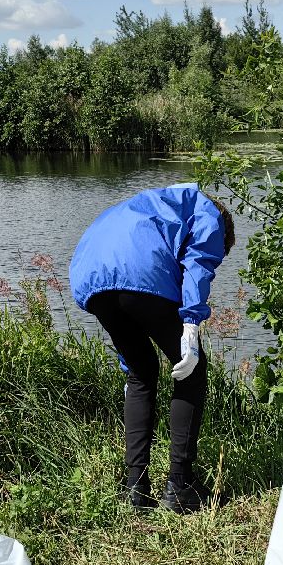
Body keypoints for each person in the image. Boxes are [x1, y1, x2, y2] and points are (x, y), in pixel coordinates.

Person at [69, 184, 235, 512]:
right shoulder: (211, 215)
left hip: (93, 277)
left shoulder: (159, 204)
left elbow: (126, 263)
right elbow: (198, 265)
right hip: (139, 270)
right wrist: (190, 326)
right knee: (193, 370)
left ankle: (135, 489)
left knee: (140, 372)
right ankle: (180, 487)